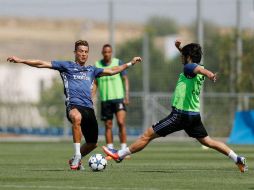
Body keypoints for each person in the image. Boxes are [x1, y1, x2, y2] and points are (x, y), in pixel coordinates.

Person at [102, 40, 248, 173]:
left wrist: (209, 74)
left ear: (188, 57)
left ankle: (119, 154)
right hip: (194, 115)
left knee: (147, 135)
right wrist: (180, 49)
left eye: (183, 56)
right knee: (209, 141)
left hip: (180, 115)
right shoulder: (195, 65)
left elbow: (195, 68)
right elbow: (195, 66)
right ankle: (237, 158)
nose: (181, 58)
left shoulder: (190, 68)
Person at [7, 40, 142, 170]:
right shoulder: (66, 66)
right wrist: (21, 60)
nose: (83, 54)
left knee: (92, 143)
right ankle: (77, 155)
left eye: (86, 51)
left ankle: (74, 159)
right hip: (73, 105)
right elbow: (42, 63)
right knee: (76, 118)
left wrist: (130, 63)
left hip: (88, 108)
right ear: (75, 53)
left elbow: (113, 70)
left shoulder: (92, 70)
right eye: (81, 51)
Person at [93, 44, 129, 158]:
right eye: (105, 52)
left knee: (121, 122)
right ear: (102, 53)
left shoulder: (118, 62)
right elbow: (95, 83)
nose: (107, 54)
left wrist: (126, 94)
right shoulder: (97, 65)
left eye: (109, 52)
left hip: (118, 97)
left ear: (111, 52)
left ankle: (124, 150)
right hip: (105, 100)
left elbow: (125, 79)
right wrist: (92, 96)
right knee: (108, 125)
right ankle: (110, 150)